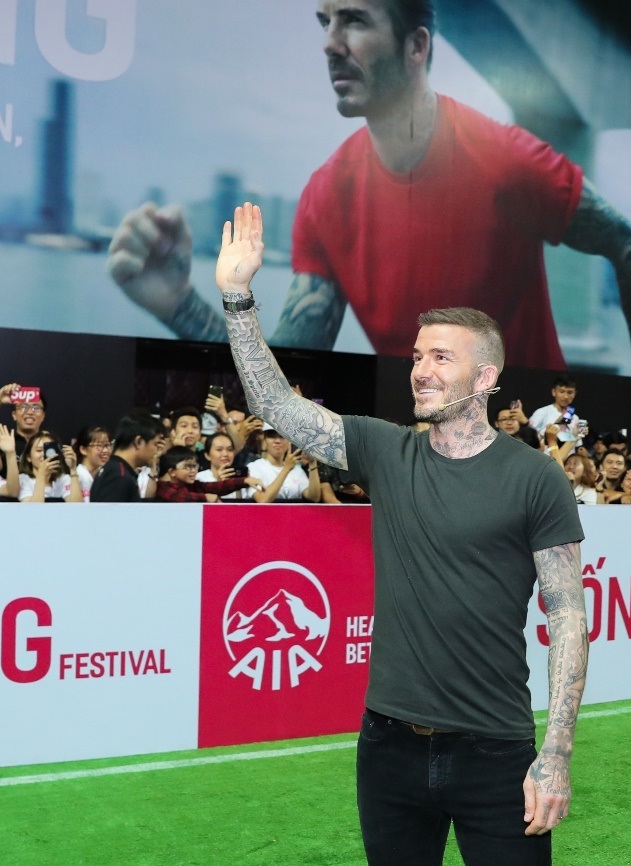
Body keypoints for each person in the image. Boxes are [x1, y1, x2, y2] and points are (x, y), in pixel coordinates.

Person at [213, 203, 586, 864]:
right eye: (417, 356)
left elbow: (567, 615)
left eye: (441, 357)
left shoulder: (535, 478)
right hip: (386, 747)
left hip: (494, 750)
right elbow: (274, 405)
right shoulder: (386, 450)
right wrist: (238, 298)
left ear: (485, 378)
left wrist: (555, 751)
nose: (420, 370)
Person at [107, 0, 631, 377]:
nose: (329, 44)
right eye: (324, 21)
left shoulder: (505, 160)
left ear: (416, 47)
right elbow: (283, 382)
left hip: (530, 447)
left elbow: (627, 243)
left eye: (353, 21)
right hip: (421, 455)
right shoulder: (327, 199)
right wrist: (180, 306)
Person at [90, 411, 165, 502]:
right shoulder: (119, 476)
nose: (157, 451)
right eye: (156, 444)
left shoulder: (115, 469)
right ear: (138, 441)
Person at [155, 444, 258, 502]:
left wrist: (244, 481)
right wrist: (206, 497)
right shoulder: (163, 487)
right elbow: (181, 497)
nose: (194, 470)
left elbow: (216, 487)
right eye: (188, 466)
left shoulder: (193, 485)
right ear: (172, 472)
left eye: (195, 466)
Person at [247, 426, 322, 503]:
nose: (277, 441)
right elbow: (263, 499)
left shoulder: (297, 469)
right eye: (272, 436)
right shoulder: (254, 467)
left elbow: (314, 498)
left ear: (289, 441)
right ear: (264, 440)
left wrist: (312, 463)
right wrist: (286, 469)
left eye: (282, 436)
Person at [18, 431, 83, 502]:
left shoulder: (62, 479)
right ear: (29, 457)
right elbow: (33, 508)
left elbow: (76, 506)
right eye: (39, 450)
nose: (44, 454)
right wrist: (41, 475)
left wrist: (73, 469)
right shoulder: (23, 480)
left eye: (48, 450)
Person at [74, 425, 112, 500]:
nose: (106, 451)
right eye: (99, 445)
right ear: (83, 449)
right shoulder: (78, 476)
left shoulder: (106, 475)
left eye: (107, 445)